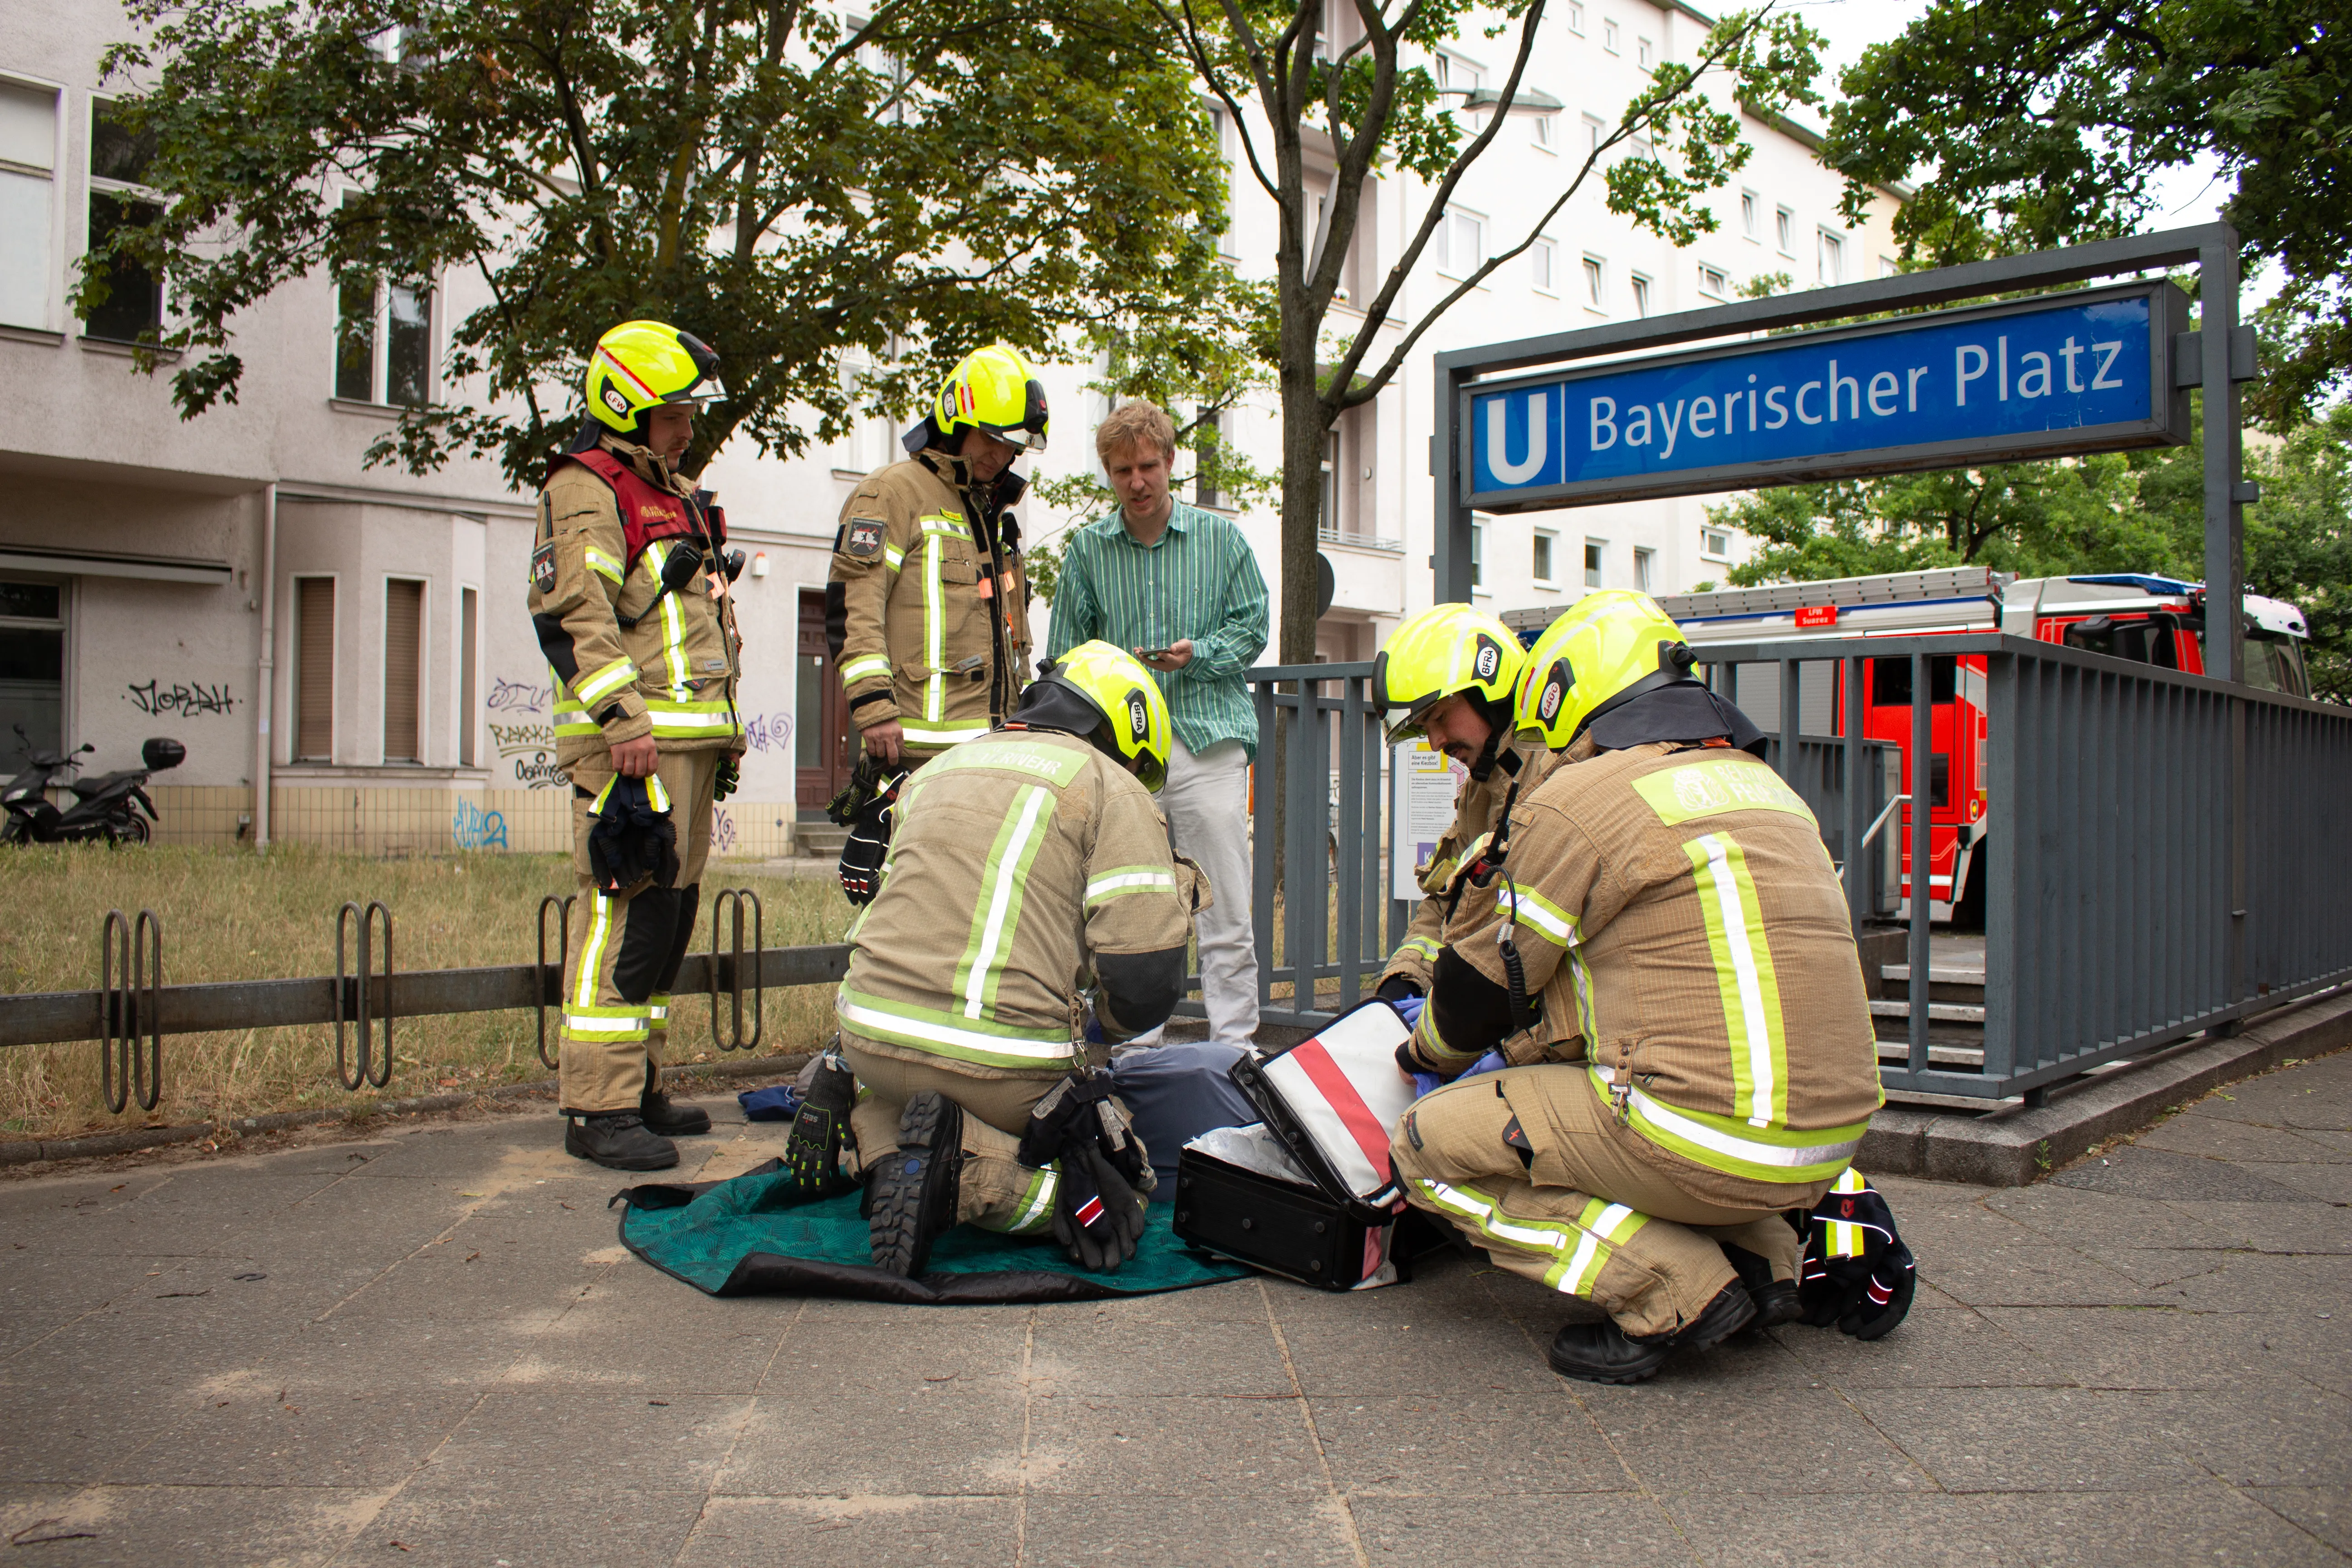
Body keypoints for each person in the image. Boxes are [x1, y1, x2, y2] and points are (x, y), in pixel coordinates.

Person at [1388, 590, 1886, 1382]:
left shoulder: (1581, 796)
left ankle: (1671, 1292)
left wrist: (1425, 1046)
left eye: (1438, 715)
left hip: (1698, 1132)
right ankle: (1765, 1265)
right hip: (1829, 1144)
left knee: (1423, 1147)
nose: (1435, 737)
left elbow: (1483, 996)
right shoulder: (1766, 788)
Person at [790, 641, 1201, 1276]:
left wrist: (844, 1057)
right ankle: (964, 1180)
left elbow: (889, 923)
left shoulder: (937, 770)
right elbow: (1145, 976)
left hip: (870, 1040)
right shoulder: (1109, 786)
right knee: (1120, 1179)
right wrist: (1103, 1032)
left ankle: (878, 1152)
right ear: (1129, 730)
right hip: (1004, 1069)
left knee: (892, 1100)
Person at [531, 320, 745, 1171]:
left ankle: (641, 1085)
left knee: (668, 915)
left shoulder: (680, 491)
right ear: (625, 408)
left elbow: (701, 615)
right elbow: (573, 613)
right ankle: (597, 1102)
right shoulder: (586, 487)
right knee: (618, 915)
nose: (687, 427)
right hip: (632, 744)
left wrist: (724, 731)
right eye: (673, 413)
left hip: (686, 743)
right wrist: (622, 719)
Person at [1045, 401, 1268, 1049]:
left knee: (1223, 904)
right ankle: (1137, 1050)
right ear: (1108, 474)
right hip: (1121, 760)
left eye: (1147, 466)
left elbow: (1253, 624)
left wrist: (1200, 657)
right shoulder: (1087, 551)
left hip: (1206, 741)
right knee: (1130, 903)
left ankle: (1236, 1052)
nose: (1136, 482)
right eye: (1121, 472)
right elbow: (1066, 654)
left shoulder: (1221, 539)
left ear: (1171, 461)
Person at [828, 343, 1044, 768]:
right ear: (956, 422)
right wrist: (874, 708)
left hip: (993, 751)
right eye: (991, 437)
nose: (1001, 455)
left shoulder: (987, 512)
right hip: (912, 752)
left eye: (1011, 445)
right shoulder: (892, 493)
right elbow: (854, 606)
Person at [1366, 603, 1560, 1010]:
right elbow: (1445, 902)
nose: (1435, 743)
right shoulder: (1480, 791)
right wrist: (1402, 984)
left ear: (1487, 692)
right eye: (1424, 728)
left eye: (1439, 717)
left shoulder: (1559, 776)